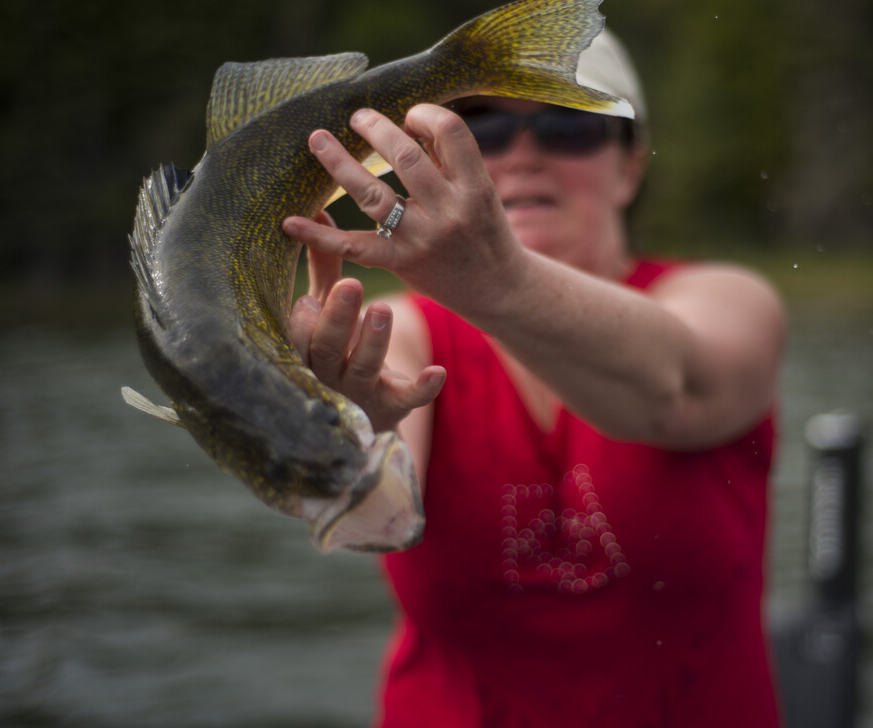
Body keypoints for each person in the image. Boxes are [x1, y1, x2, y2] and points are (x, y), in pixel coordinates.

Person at [282, 29, 786, 728]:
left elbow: (671, 388)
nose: (523, 156)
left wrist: (490, 279)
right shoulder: (406, 332)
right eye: (480, 129)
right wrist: (348, 428)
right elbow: (369, 513)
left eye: (569, 124)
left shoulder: (728, 300)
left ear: (630, 166)